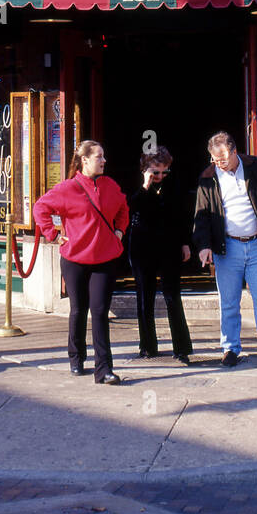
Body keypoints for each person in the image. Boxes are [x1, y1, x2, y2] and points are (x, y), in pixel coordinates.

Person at [33, 140, 129, 384]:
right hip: (74, 258)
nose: (104, 160)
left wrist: (119, 230)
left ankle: (104, 369)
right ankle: (76, 359)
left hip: (105, 258)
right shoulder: (68, 188)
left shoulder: (110, 186)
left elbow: (123, 209)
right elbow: (40, 208)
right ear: (85, 160)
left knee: (99, 312)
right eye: (99, 156)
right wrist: (52, 234)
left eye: (103, 156)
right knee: (78, 309)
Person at [193, 131, 257, 368]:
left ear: (235, 152)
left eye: (223, 158)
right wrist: (204, 245)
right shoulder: (208, 177)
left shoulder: (255, 167)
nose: (219, 164)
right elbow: (201, 215)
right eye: (215, 159)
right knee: (229, 301)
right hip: (227, 247)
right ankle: (230, 348)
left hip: (256, 243)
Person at [127, 146, 193, 364]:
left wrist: (185, 243)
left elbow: (183, 215)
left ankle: (181, 347)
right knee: (145, 296)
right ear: (146, 169)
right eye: (156, 172)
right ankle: (147, 346)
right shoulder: (137, 185)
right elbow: (131, 208)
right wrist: (145, 185)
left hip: (169, 243)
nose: (160, 176)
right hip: (142, 245)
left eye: (165, 171)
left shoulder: (174, 184)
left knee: (172, 295)